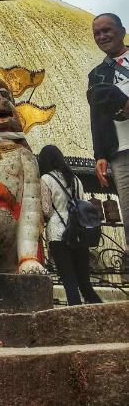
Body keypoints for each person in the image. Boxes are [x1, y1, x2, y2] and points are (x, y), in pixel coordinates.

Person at [38, 144, 102, 307]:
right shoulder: (76, 179)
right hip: (79, 232)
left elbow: (45, 210)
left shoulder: (46, 179)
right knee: (85, 283)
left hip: (59, 234)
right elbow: (81, 203)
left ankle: (76, 316)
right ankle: (102, 312)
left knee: (69, 282)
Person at [87, 13, 129, 252]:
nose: (102, 36)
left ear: (122, 31)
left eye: (107, 30)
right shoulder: (97, 75)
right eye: (97, 33)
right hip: (120, 150)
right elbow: (97, 117)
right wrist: (100, 155)